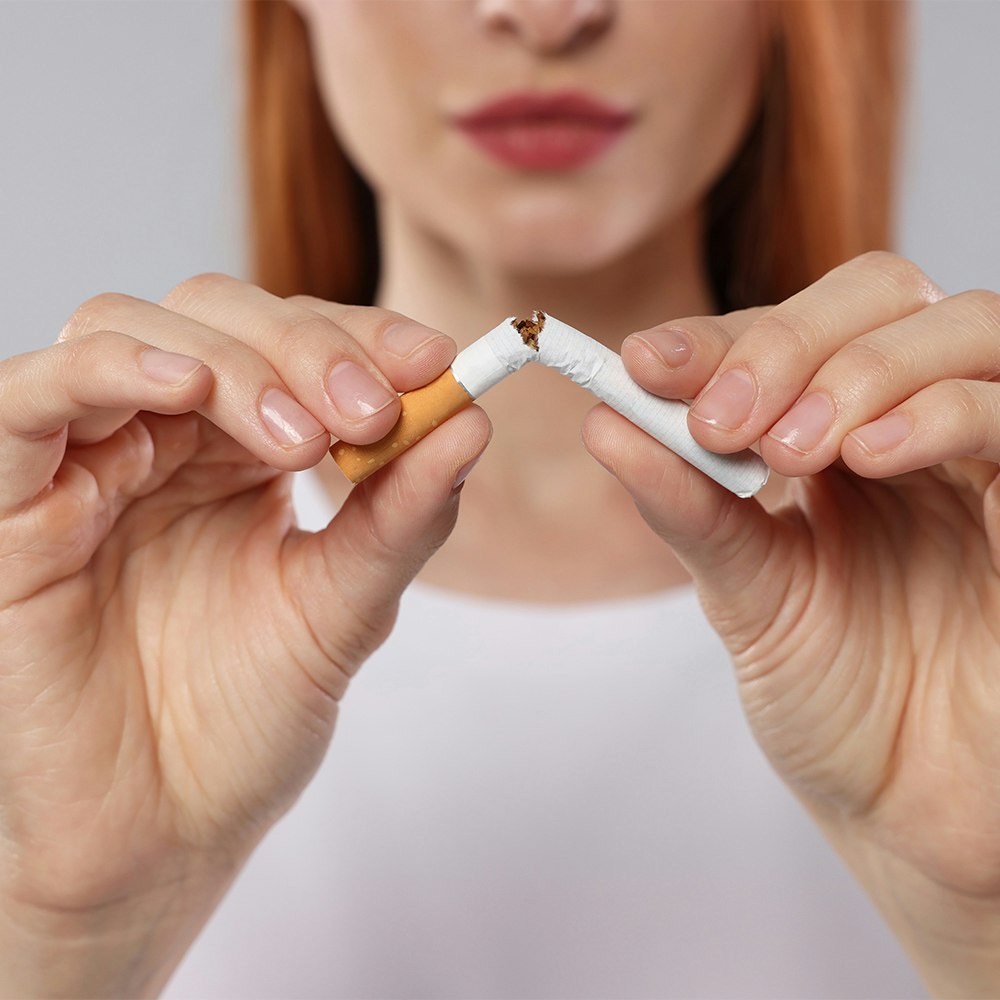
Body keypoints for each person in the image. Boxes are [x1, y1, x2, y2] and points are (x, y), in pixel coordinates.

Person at [1, 0, 998, 996]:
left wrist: (981, 923)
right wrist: (66, 935)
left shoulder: (958, 598)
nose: (546, 15)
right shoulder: (76, 606)